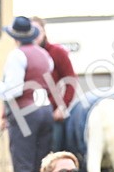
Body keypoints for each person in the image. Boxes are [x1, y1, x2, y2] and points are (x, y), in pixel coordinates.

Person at [0, 16, 54, 172]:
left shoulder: (17, 56)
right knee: (42, 166)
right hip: (46, 111)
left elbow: (13, 90)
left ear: (14, 37)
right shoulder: (44, 54)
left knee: (24, 168)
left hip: (25, 113)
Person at [30, 17, 78, 153]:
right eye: (31, 31)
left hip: (52, 116)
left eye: (37, 31)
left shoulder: (57, 52)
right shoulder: (24, 55)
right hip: (30, 116)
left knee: (53, 156)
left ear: (44, 32)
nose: (34, 35)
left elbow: (71, 80)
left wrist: (62, 107)